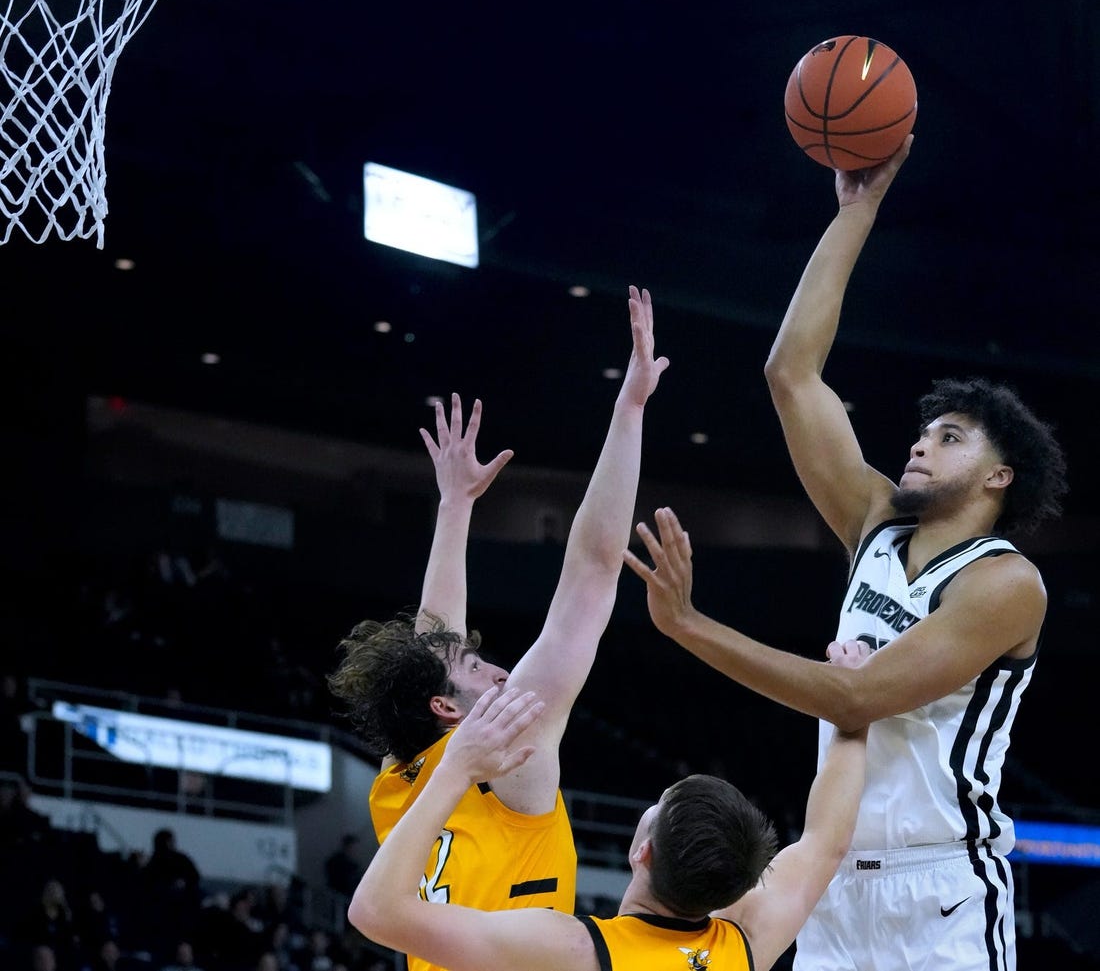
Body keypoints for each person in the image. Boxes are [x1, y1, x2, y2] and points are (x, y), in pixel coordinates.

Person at [623, 135, 1069, 971]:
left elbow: (856, 693)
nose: (920, 444)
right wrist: (856, 209)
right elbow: (791, 372)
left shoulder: (1008, 585)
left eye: (950, 436)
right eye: (924, 429)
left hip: (938, 891)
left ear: (1000, 475)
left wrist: (689, 627)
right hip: (824, 880)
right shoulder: (874, 519)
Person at [327, 286, 667, 959]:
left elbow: (433, 643)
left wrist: (455, 507)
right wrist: (628, 411)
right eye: (475, 665)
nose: (496, 663)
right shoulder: (518, 750)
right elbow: (593, 573)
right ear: (446, 706)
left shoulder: (403, 776)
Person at [347, 684, 869, 971]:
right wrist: (854, 712)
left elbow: (376, 912)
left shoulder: (573, 951)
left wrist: (456, 769)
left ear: (641, 852)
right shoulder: (745, 944)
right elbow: (827, 841)